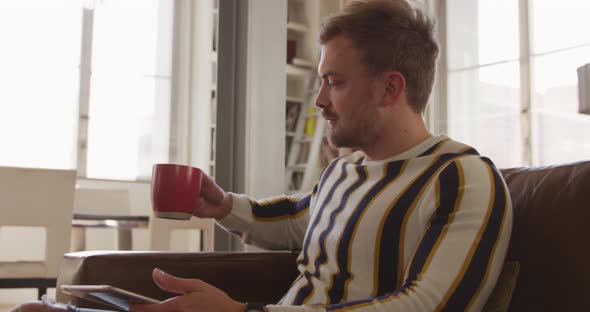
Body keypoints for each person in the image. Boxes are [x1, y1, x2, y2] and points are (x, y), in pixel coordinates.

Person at [12, 0, 512, 311]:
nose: (319, 101)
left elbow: (429, 305)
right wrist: (221, 205)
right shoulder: (345, 172)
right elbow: (298, 220)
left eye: (334, 83)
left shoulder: (461, 179)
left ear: (390, 89)